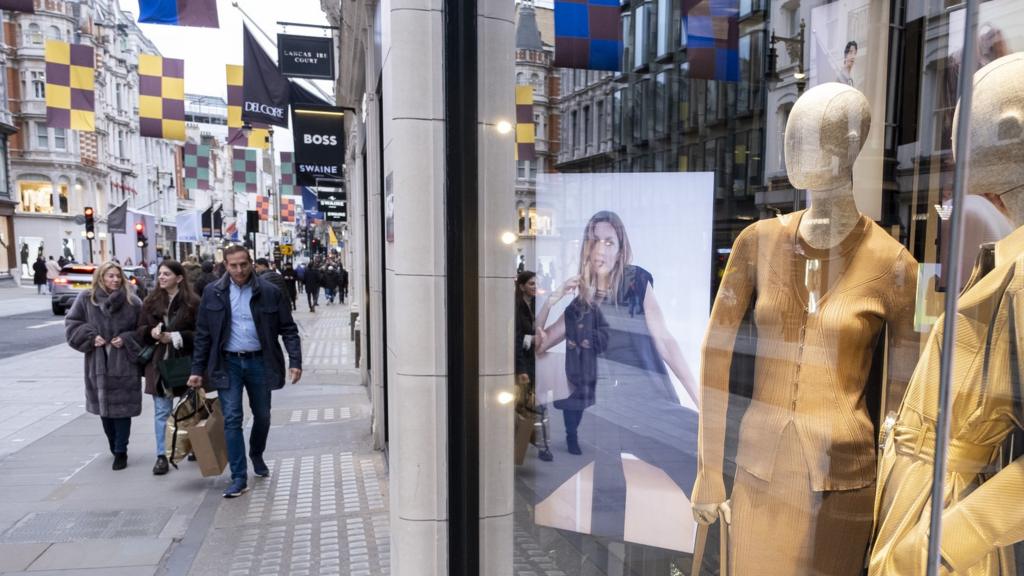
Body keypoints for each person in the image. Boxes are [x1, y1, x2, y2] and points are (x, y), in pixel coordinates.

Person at [535, 210, 699, 539]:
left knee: (691, 465)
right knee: (609, 497)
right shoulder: (579, 304)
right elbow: (540, 343)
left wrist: (702, 402)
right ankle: (606, 556)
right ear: (587, 248)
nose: (602, 249)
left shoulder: (636, 282)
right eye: (596, 240)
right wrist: (552, 298)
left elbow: (665, 343)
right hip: (602, 410)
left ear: (620, 248)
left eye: (610, 241)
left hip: (646, 401)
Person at [188, 245, 303, 498]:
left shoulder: (270, 292)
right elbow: (204, 335)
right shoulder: (213, 293)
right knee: (232, 418)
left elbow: (288, 328)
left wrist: (295, 360)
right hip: (227, 363)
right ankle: (238, 477)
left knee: (262, 415)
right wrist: (197, 369)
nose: (239, 270)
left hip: (260, 361)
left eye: (243, 264)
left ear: (251, 263)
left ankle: (256, 453)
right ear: (225, 266)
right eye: (233, 265)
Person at [64, 261, 143, 471]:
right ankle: (113, 444)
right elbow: (72, 325)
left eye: (118, 276)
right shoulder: (86, 299)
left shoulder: (132, 301)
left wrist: (126, 339)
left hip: (123, 362)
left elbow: (143, 330)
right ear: (101, 277)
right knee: (105, 411)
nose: (115, 280)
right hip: (97, 361)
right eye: (110, 276)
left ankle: (121, 451)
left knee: (123, 411)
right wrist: (90, 337)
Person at [137, 260, 199, 475]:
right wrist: (151, 333)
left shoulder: (192, 302)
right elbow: (140, 330)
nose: (161, 277)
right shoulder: (151, 301)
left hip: (184, 361)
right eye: (160, 274)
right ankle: (162, 455)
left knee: (189, 408)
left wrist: (174, 337)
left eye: (166, 274)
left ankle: (193, 447)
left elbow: (201, 334)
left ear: (179, 278)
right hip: (159, 364)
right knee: (162, 412)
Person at [516, 270, 552, 462]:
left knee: (534, 408)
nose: (535, 287)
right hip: (524, 367)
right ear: (521, 286)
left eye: (536, 284)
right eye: (531, 284)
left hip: (532, 364)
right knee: (529, 409)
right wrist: (521, 369)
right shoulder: (517, 307)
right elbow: (516, 340)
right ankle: (538, 446)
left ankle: (540, 445)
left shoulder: (531, 305)